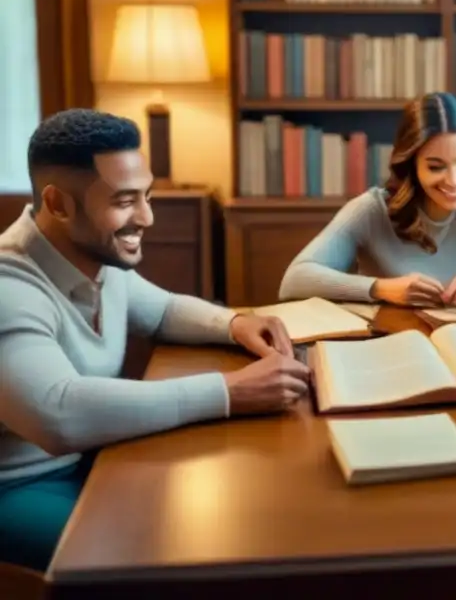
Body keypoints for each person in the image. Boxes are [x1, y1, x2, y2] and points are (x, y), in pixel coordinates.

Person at [0, 109, 310, 573]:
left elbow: (162, 309)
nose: (146, 216)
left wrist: (236, 323)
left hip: (95, 458)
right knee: (161, 553)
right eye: (125, 201)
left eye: (146, 195)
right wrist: (229, 393)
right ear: (59, 204)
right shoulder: (9, 285)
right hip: (16, 488)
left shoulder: (91, 253)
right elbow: (59, 414)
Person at [279, 92, 456, 307]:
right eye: (436, 167)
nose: (454, 180)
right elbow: (294, 280)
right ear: (412, 166)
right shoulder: (370, 210)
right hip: (390, 348)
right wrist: (381, 289)